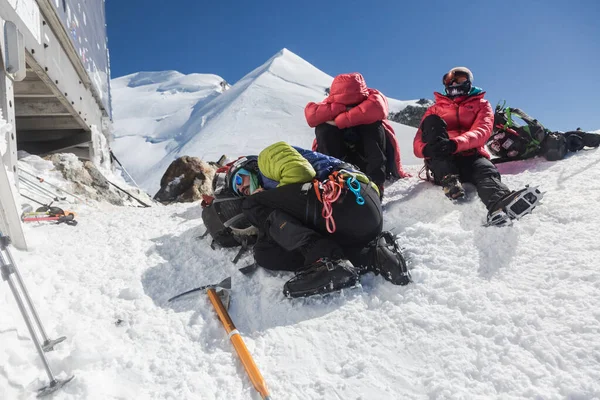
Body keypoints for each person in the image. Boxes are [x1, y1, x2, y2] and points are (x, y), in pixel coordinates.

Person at [225, 141, 410, 298]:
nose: (241, 189)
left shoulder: (267, 157)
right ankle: (372, 256)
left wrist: (265, 198)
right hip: (356, 222)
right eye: (237, 190)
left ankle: (322, 257)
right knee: (266, 254)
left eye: (240, 180)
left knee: (250, 205)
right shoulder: (270, 195)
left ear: (250, 166)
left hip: (349, 194)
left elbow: (301, 173)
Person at [413, 67, 543, 226]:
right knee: (432, 122)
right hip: (443, 159)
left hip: (470, 154)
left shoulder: (481, 104)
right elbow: (419, 138)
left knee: (485, 171)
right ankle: (449, 181)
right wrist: (425, 149)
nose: (454, 83)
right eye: (449, 80)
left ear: (468, 82)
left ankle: (500, 205)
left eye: (459, 79)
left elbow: (482, 130)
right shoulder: (434, 109)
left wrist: (455, 143)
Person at [304, 72, 409, 194]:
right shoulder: (326, 106)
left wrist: (339, 119)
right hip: (347, 162)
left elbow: (377, 108)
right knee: (324, 128)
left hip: (364, 163)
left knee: (372, 125)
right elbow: (312, 116)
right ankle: (331, 182)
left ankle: (374, 186)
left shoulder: (374, 101)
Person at [488, 103, 600, 163]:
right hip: (544, 143)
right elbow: (537, 127)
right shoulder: (507, 135)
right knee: (566, 136)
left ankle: (584, 137)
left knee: (565, 136)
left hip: (539, 146)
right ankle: (589, 138)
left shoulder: (497, 139)